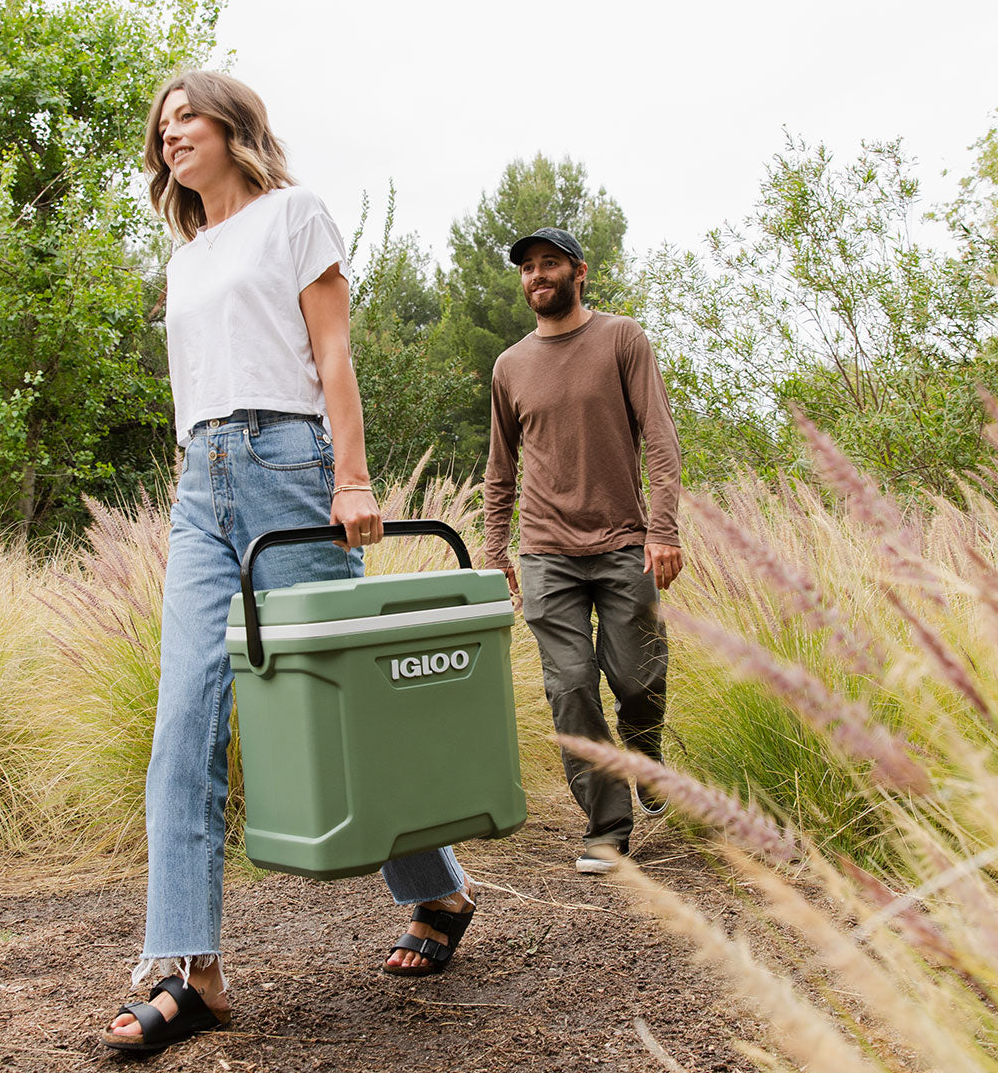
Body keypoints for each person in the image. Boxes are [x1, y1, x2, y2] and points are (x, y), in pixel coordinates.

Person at [102, 71, 474, 1054]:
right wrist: (196, 475)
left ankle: (437, 893)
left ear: (233, 126)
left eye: (187, 116)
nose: (170, 134)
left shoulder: (295, 215)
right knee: (184, 713)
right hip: (203, 483)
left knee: (336, 710)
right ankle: (191, 971)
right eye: (161, 125)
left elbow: (333, 355)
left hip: (290, 466)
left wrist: (352, 479)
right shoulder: (185, 259)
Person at [483, 227, 683, 875]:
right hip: (546, 553)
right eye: (528, 268)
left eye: (549, 264)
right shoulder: (510, 366)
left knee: (637, 679)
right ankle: (607, 827)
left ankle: (645, 755)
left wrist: (664, 531)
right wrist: (494, 549)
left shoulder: (622, 339)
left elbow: (659, 439)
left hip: (624, 541)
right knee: (570, 687)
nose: (537, 276)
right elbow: (500, 468)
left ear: (579, 271)